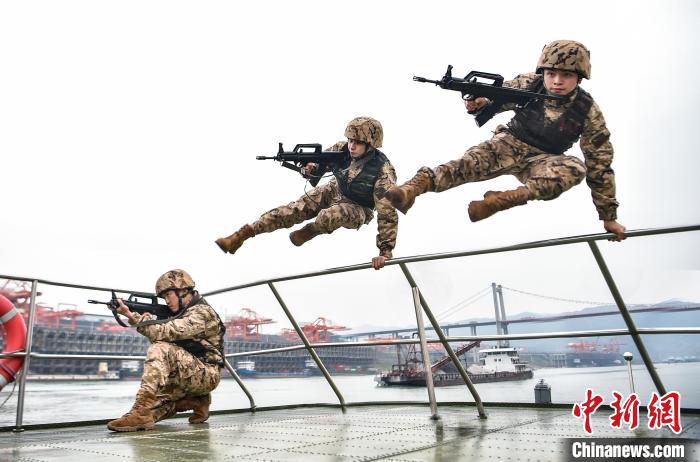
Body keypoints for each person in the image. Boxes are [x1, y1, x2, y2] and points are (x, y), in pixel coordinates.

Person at [384, 40, 626, 241]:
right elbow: (501, 96)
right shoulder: (531, 83)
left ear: (580, 77)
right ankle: (410, 190)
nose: (557, 81)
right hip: (508, 143)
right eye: (551, 74)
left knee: (575, 168)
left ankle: (503, 200)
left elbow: (600, 164)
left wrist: (608, 217)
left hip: (544, 160)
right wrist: (479, 103)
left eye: (566, 75)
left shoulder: (587, 111)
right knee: (464, 166)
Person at [215, 117, 399, 269]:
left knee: (329, 216)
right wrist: (309, 168)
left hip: (359, 207)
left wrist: (385, 252)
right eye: (351, 140)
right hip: (334, 189)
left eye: (358, 143)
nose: (352, 146)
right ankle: (241, 236)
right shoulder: (340, 149)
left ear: (371, 145)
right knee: (292, 210)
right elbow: (315, 174)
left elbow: (387, 214)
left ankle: (312, 230)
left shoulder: (383, 171)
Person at [107, 269, 226, 432]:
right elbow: (163, 335)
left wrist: (129, 314)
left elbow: (164, 333)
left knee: (159, 348)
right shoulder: (182, 312)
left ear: (183, 290)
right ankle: (197, 401)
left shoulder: (201, 312)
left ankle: (140, 410)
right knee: (155, 410)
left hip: (208, 374)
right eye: (163, 297)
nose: (166, 301)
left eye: (168, 295)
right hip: (186, 372)